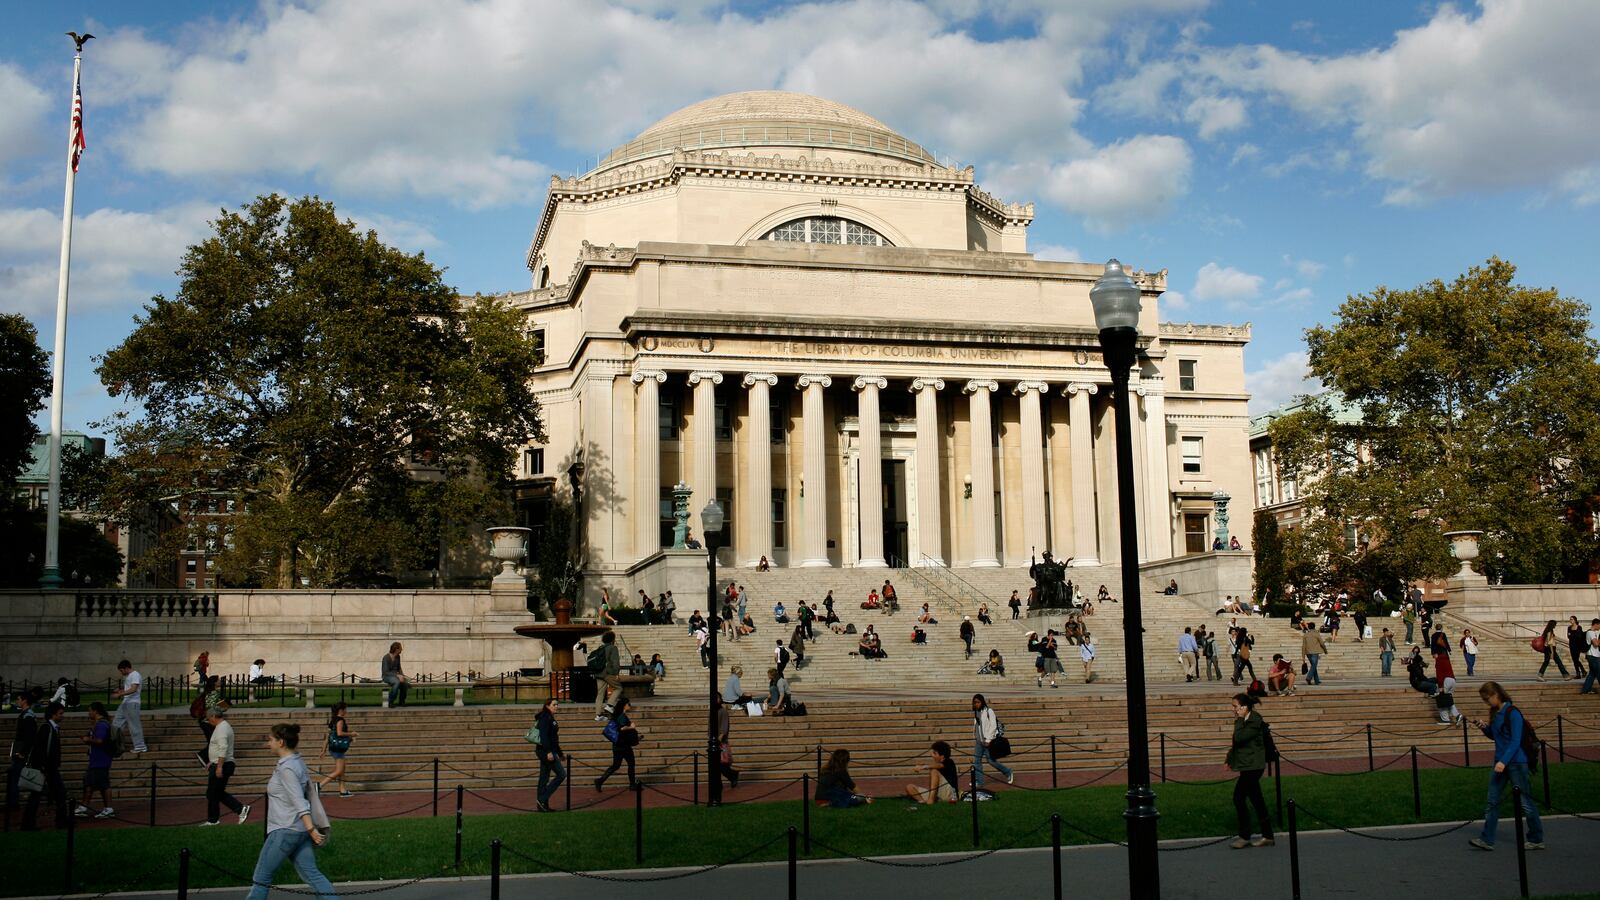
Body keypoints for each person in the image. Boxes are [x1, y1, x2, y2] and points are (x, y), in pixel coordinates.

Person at [247, 724, 334, 899]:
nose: (268, 743)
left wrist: (312, 830)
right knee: (313, 875)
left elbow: (299, 801)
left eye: (270, 739)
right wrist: (308, 830)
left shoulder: (287, 768)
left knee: (261, 877)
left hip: (285, 830)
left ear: (281, 742)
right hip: (299, 831)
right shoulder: (296, 761)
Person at [1468, 682, 1545, 852]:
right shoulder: (1496, 713)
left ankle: (1536, 837)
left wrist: (1504, 761)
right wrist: (1484, 728)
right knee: (1492, 800)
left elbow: (1515, 740)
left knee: (1525, 802)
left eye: (1487, 699)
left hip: (1516, 762)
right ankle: (1487, 838)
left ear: (1496, 694)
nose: (1486, 702)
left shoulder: (1513, 712)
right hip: (1500, 762)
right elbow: (1496, 736)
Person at [1225, 693, 1275, 849]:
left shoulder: (1254, 721)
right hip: (1247, 765)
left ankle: (1245, 836)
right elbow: (1237, 744)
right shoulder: (1246, 720)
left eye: (1235, 706)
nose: (1233, 709)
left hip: (1254, 766)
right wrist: (1229, 759)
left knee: (1238, 798)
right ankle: (1268, 836)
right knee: (1257, 800)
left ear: (1244, 707)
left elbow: (1239, 738)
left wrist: (1239, 719)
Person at [21, 702, 67, 831]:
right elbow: (40, 750)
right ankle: (59, 821)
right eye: (60, 714)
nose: (62, 716)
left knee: (51, 794)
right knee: (55, 793)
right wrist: (43, 766)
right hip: (46, 768)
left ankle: (30, 823)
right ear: (53, 714)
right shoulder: (47, 728)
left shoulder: (52, 728)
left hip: (48, 767)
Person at [201, 706, 249, 826]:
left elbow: (223, 748)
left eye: (208, 718)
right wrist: (212, 761)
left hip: (222, 764)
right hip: (219, 763)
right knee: (215, 792)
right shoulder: (222, 727)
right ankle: (238, 810)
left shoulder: (222, 729)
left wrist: (219, 767)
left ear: (213, 716)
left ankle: (215, 819)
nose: (208, 721)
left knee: (213, 792)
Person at [72, 702, 116, 819]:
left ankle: (106, 808)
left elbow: (100, 741)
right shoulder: (101, 723)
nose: (89, 713)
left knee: (101, 784)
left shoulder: (101, 725)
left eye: (90, 710)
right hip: (98, 759)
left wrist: (87, 739)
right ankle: (86, 806)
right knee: (91, 783)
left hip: (100, 759)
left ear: (95, 711)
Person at [594, 698, 640, 791]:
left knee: (616, 765)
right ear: (624, 705)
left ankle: (600, 781)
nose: (629, 705)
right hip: (624, 745)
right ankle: (632, 784)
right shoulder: (622, 716)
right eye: (628, 704)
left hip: (617, 745)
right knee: (631, 764)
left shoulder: (618, 715)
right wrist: (631, 727)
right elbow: (622, 729)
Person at [6, 691, 37, 820]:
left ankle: (13, 803)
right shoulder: (26, 715)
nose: (17, 701)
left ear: (24, 701)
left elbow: (29, 737)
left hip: (21, 753)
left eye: (19, 699)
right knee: (13, 776)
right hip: (20, 751)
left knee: (14, 776)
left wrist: (22, 752)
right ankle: (12, 802)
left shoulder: (28, 716)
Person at [972, 694, 1014, 788]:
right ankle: (979, 781)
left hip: (988, 741)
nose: (976, 704)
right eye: (975, 702)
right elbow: (977, 725)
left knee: (991, 761)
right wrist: (975, 735)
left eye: (978, 702)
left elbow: (993, 726)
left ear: (982, 702)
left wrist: (989, 739)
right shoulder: (976, 712)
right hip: (979, 741)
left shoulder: (989, 711)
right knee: (977, 761)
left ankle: (1008, 771)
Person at [317, 702, 355, 798]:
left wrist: (323, 750)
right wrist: (351, 734)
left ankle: (342, 790)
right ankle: (319, 786)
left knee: (342, 770)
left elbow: (328, 737)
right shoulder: (340, 720)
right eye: (345, 709)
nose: (346, 711)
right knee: (339, 770)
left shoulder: (333, 720)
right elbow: (339, 733)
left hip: (333, 748)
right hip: (338, 748)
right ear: (341, 710)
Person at [532, 699, 564, 812]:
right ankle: (542, 799)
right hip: (545, 751)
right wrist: (549, 752)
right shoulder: (545, 717)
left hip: (549, 751)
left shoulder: (549, 717)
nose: (556, 706)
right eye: (554, 705)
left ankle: (542, 806)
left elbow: (553, 738)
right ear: (547, 706)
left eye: (557, 705)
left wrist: (560, 753)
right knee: (561, 774)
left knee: (544, 778)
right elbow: (544, 736)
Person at [110, 659, 147, 754]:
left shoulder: (135, 674)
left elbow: (134, 689)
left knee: (134, 725)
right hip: (125, 703)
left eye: (121, 670)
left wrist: (120, 694)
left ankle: (140, 746)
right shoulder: (129, 676)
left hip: (132, 703)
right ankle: (117, 745)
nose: (121, 673)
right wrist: (121, 690)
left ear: (126, 668)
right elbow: (129, 689)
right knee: (116, 724)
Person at [194, 674, 228, 766]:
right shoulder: (214, 693)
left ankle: (209, 760)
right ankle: (203, 755)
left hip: (205, 721)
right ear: (214, 683)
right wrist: (223, 708)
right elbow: (211, 707)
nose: (220, 681)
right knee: (214, 741)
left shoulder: (209, 692)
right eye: (218, 680)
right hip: (208, 722)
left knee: (213, 741)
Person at [594, 632, 622, 721]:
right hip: (607, 673)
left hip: (599, 673)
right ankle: (609, 705)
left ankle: (598, 715)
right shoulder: (613, 648)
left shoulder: (600, 648)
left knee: (600, 694)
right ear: (612, 639)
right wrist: (616, 673)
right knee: (618, 688)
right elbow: (615, 662)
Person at [1433, 642, 1461, 724]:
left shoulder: (1439, 660)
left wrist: (1440, 685)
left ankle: (1445, 719)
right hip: (1452, 680)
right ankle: (1457, 715)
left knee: (1441, 699)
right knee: (1448, 700)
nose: (1433, 656)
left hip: (1445, 681)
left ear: (1436, 654)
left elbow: (1440, 674)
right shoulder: (1446, 659)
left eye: (1434, 655)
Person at [382, 642, 410, 707]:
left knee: (404, 683)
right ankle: (390, 701)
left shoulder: (398, 657)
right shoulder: (386, 658)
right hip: (387, 676)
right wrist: (397, 675)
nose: (401, 650)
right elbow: (385, 672)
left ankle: (402, 701)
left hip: (396, 676)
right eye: (400, 648)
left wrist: (402, 676)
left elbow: (399, 668)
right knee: (396, 682)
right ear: (396, 649)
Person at [1581, 618, 1600, 695]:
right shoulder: (1591, 633)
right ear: (1596, 624)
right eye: (1599, 625)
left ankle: (1585, 690)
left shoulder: (1591, 632)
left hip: (1592, 655)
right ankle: (1586, 690)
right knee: (1599, 673)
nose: (1599, 628)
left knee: (1592, 674)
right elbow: (1596, 644)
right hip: (1593, 656)